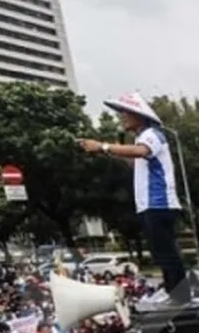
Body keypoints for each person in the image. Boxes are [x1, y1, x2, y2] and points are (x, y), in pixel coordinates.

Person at [79, 93, 188, 306]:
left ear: (139, 115)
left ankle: (180, 295)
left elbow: (141, 151)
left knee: (166, 252)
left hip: (160, 202)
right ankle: (171, 290)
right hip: (149, 204)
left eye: (126, 113)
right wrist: (108, 152)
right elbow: (135, 160)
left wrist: (103, 146)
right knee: (159, 251)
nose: (122, 118)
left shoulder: (152, 134)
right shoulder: (142, 138)